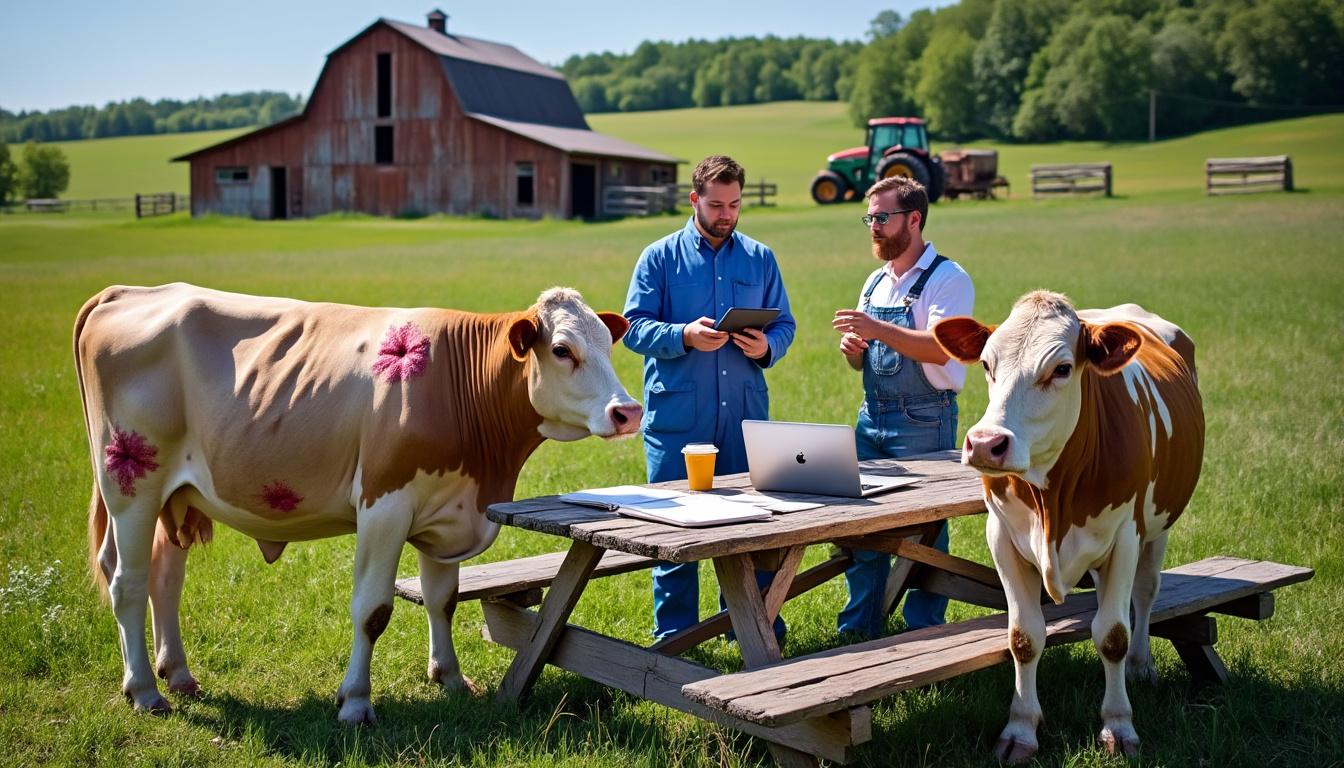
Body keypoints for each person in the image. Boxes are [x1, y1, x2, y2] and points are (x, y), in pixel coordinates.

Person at [623, 155, 796, 642]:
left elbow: (785, 324)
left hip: (743, 418)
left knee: (750, 526)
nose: (726, 214)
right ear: (694, 199)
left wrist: (768, 346)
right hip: (678, 420)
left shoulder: (760, 258)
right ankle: (674, 636)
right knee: (677, 529)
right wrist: (682, 334)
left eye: (735, 204)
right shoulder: (658, 257)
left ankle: (753, 627)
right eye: (716, 204)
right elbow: (632, 328)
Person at [831, 176, 974, 640]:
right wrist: (854, 348)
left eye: (882, 217)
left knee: (923, 533)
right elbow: (864, 360)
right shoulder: (875, 281)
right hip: (871, 416)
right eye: (869, 218)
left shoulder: (949, 279)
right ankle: (861, 628)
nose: (873, 226)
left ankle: (924, 633)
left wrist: (874, 327)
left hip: (924, 418)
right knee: (860, 526)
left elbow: (940, 350)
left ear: (914, 219)